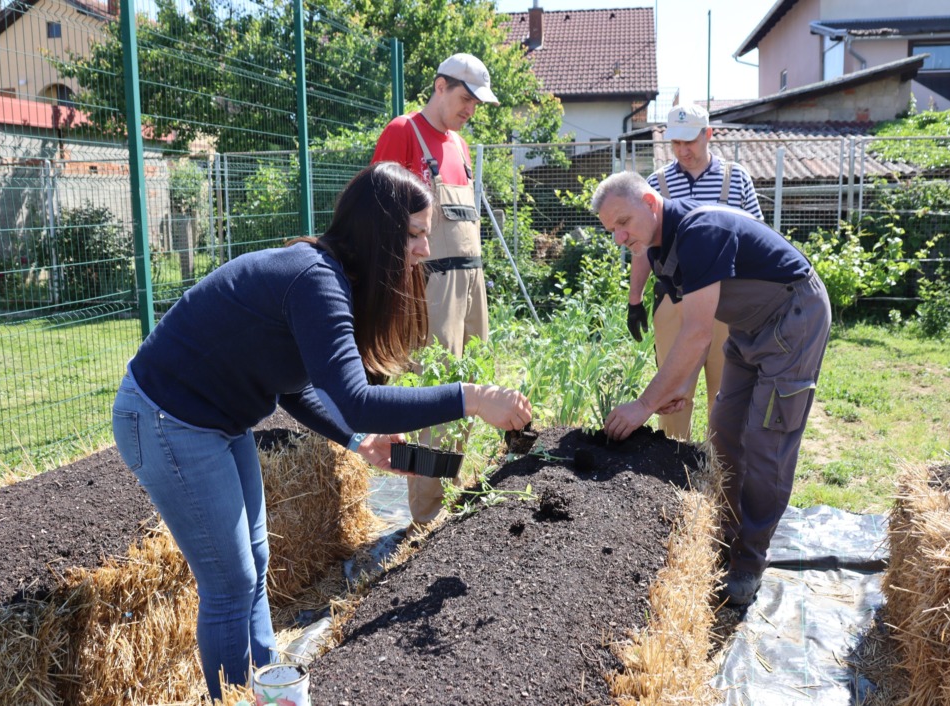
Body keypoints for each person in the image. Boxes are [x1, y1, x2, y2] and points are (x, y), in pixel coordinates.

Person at [111, 162, 532, 700]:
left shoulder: (333, 281)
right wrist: (471, 398)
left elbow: (293, 386)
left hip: (217, 420)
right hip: (166, 418)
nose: (426, 249)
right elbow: (357, 401)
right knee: (229, 582)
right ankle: (234, 696)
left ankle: (270, 689)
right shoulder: (316, 281)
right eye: (415, 234)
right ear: (381, 234)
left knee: (255, 562)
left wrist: (359, 442)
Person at [591, 171, 830, 607]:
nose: (620, 237)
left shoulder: (700, 231)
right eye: (612, 230)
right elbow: (689, 327)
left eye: (623, 222)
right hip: (748, 326)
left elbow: (700, 333)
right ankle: (725, 532)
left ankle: (749, 560)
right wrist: (676, 387)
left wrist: (645, 404)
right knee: (723, 425)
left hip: (794, 316)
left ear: (649, 201)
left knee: (766, 440)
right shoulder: (661, 250)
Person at [371, 52, 499, 525]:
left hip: (471, 284)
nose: (470, 110)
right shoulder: (403, 131)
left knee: (470, 390)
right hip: (429, 286)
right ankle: (424, 516)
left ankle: (447, 498)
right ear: (440, 86)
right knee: (432, 396)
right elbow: (380, 217)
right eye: (465, 98)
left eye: (476, 103)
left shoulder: (460, 146)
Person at [626, 104, 763, 441]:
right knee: (673, 392)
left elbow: (756, 239)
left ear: (708, 134)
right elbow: (642, 248)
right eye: (676, 143)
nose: (683, 150)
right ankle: (671, 477)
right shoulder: (656, 184)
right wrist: (635, 300)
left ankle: (722, 476)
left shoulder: (736, 179)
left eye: (690, 141)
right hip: (675, 300)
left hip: (727, 303)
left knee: (727, 393)